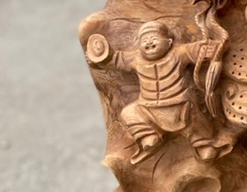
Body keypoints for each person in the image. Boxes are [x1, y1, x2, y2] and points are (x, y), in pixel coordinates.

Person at [91, 21, 231, 165]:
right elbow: (115, 59)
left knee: (197, 121)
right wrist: (100, 55)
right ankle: (149, 137)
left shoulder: (179, 53)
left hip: (180, 106)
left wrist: (210, 48)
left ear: (169, 42)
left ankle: (205, 145)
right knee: (129, 113)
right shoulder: (135, 58)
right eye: (144, 40)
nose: (149, 42)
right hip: (148, 108)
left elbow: (198, 50)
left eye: (154, 38)